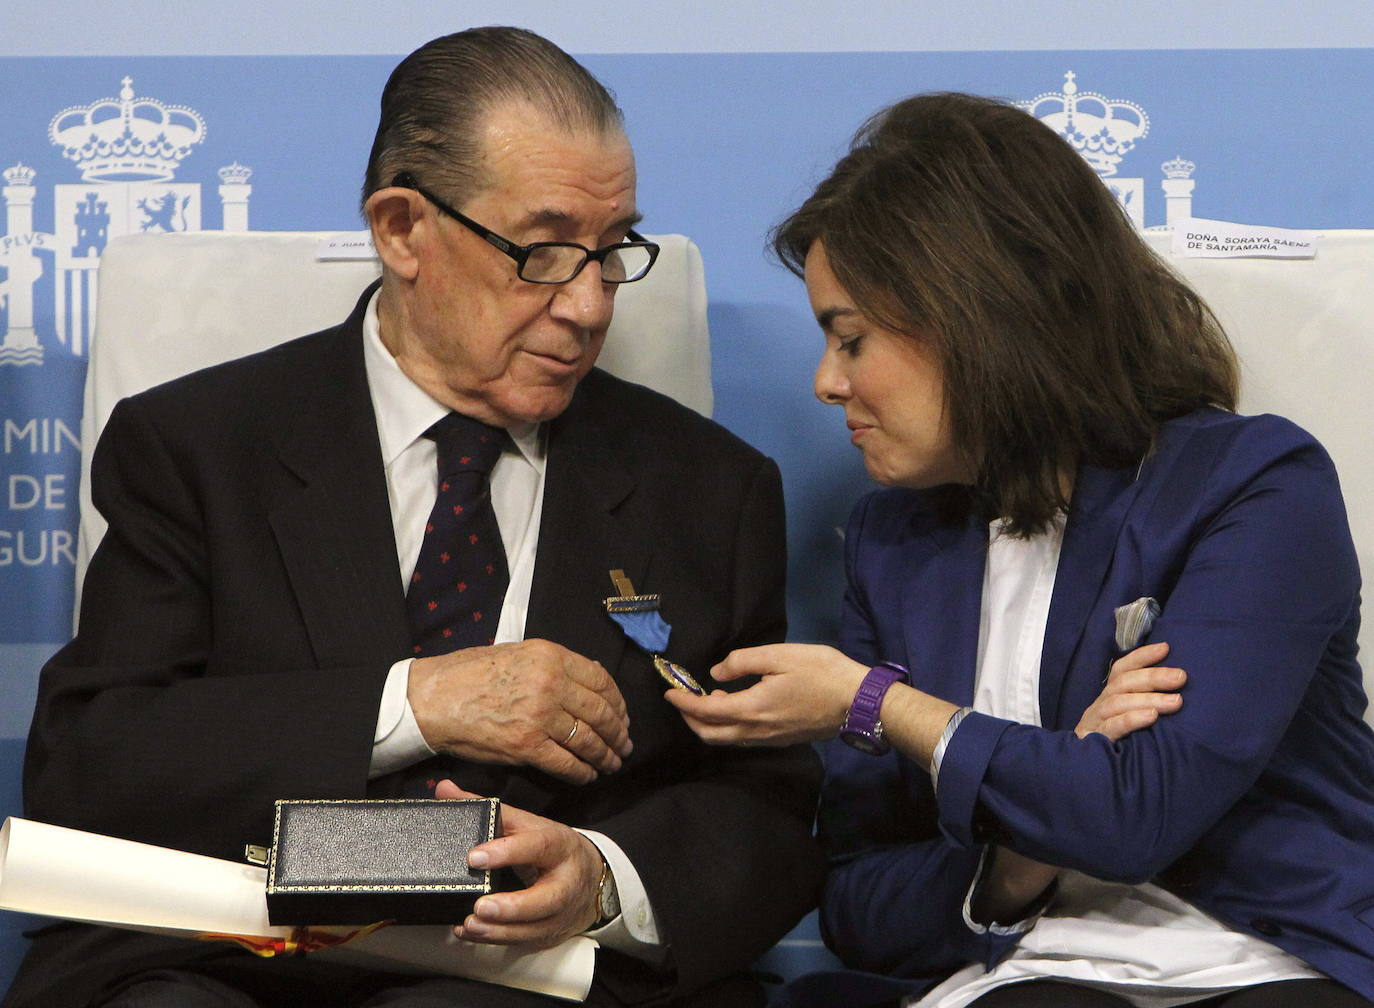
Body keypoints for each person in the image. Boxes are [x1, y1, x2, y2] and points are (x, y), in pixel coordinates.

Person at [5, 27, 822, 1008]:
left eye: (613, 252)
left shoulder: (705, 487)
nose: (591, 305)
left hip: (525, 975)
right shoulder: (198, 447)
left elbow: (769, 813)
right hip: (223, 951)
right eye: (547, 252)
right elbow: (91, 764)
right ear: (403, 230)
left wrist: (605, 877)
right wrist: (416, 701)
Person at [667, 92, 1374, 1008]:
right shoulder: (894, 540)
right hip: (1023, 977)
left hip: (1268, 964)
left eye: (852, 338)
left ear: (977, 317)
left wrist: (878, 704)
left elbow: (1135, 815)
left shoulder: (1254, 485)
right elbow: (858, 905)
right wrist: (1017, 856)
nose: (826, 382)